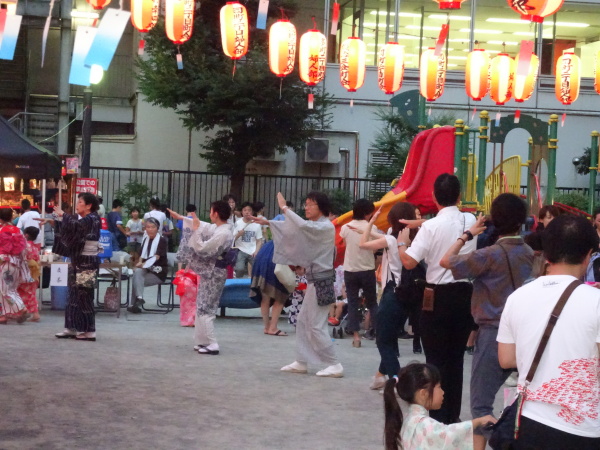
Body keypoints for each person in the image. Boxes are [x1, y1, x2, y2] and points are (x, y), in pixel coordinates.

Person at [440, 193, 534, 450]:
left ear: (494, 219)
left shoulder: (487, 255)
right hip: (527, 334)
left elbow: (446, 261)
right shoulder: (530, 253)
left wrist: (467, 235)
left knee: (481, 404)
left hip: (493, 332)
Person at [497, 214, 600, 449]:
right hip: (582, 428)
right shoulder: (596, 301)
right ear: (587, 255)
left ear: (546, 252)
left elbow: (506, 359)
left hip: (528, 423)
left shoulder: (517, 297)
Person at [398, 173, 476, 424]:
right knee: (456, 359)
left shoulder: (430, 227)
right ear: (460, 196)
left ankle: (437, 414)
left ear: (433, 197)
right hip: (464, 295)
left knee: (434, 360)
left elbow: (409, 262)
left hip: (437, 295)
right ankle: (452, 415)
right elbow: (448, 225)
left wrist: (400, 243)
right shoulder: (470, 219)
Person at [253, 192, 343, 378]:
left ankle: (334, 364)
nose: (306, 208)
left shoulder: (325, 226)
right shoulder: (319, 226)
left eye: (310, 205)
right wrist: (269, 223)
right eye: (306, 204)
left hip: (321, 281)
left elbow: (301, 226)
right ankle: (302, 361)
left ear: (321, 207)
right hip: (315, 280)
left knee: (316, 325)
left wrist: (284, 208)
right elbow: (296, 230)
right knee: (303, 321)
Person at [358, 203, 426, 391]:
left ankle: (398, 382)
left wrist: (370, 223)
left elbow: (362, 244)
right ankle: (380, 376)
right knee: (389, 337)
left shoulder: (390, 239)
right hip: (411, 294)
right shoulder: (418, 238)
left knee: (383, 340)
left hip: (392, 294)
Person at [383, 363, 496, 450]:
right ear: (424, 393)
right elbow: (447, 433)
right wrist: (476, 422)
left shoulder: (409, 419)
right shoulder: (425, 424)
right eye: (438, 387)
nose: (442, 392)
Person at [170, 201, 233, 355]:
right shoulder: (221, 229)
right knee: (201, 305)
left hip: (214, 272)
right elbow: (205, 226)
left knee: (206, 307)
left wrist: (196, 231)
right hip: (212, 271)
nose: (210, 214)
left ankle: (212, 343)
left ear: (216, 213)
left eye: (211, 211)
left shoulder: (223, 232)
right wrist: (183, 218)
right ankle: (202, 341)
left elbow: (203, 248)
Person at [54, 193, 101, 341]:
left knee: (84, 295)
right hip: (78, 260)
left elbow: (76, 226)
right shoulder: (85, 219)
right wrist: (57, 220)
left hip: (87, 262)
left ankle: (89, 330)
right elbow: (73, 225)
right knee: (73, 294)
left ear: (88, 205)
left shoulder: (93, 218)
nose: (77, 204)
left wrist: (63, 215)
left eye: (80, 202)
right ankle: (71, 327)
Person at [340, 199, 378, 348]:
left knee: (353, 303)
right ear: (367, 213)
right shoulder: (372, 227)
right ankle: (378, 333)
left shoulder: (345, 227)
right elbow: (375, 248)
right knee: (372, 303)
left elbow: (343, 244)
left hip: (350, 269)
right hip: (367, 269)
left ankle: (356, 337)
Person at [250, 239, 291, 336]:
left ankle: (267, 327)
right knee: (280, 296)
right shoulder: (287, 240)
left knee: (265, 297)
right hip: (276, 262)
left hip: (263, 259)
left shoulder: (268, 244)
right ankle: (273, 328)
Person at [127, 218, 168, 314]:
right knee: (137, 273)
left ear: (157, 228)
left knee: (137, 279)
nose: (150, 229)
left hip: (158, 271)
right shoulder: (146, 239)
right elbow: (141, 255)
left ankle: (135, 304)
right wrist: (139, 262)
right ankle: (139, 300)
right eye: (148, 227)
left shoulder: (162, 240)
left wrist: (143, 264)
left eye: (153, 227)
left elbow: (156, 257)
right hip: (146, 269)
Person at [0, 208, 30, 324]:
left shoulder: (1, 230)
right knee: (11, 289)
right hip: (16, 263)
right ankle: (4, 315)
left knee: (4, 290)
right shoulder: (18, 231)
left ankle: (21, 308)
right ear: (11, 217)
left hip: (4, 262)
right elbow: (24, 249)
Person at [232, 202, 263, 278]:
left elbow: (259, 240)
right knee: (239, 269)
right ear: (242, 212)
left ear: (252, 212)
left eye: (249, 210)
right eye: (245, 210)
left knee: (259, 269)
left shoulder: (256, 224)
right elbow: (232, 239)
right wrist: (239, 234)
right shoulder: (237, 223)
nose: (247, 212)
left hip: (252, 250)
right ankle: (238, 283)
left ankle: (255, 284)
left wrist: (256, 251)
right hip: (240, 249)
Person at [18, 226, 42, 322]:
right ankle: (35, 314)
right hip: (34, 273)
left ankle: (19, 312)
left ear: (26, 235)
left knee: (18, 293)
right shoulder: (35, 248)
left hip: (24, 273)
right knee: (31, 294)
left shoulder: (24, 246)